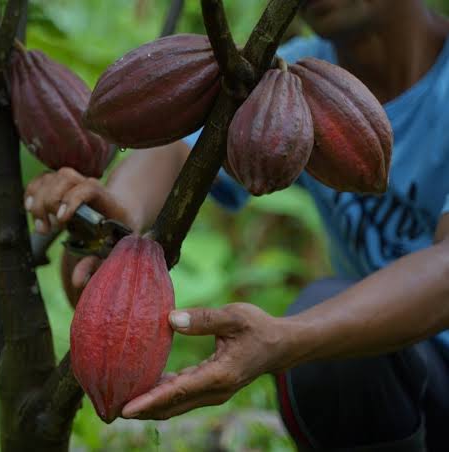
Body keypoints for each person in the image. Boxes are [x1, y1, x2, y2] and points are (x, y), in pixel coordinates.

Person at [24, 0, 449, 450]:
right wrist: (120, 212)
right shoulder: (292, 77)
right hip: (406, 374)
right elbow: (176, 151)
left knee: (324, 320)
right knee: (337, 354)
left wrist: (289, 339)